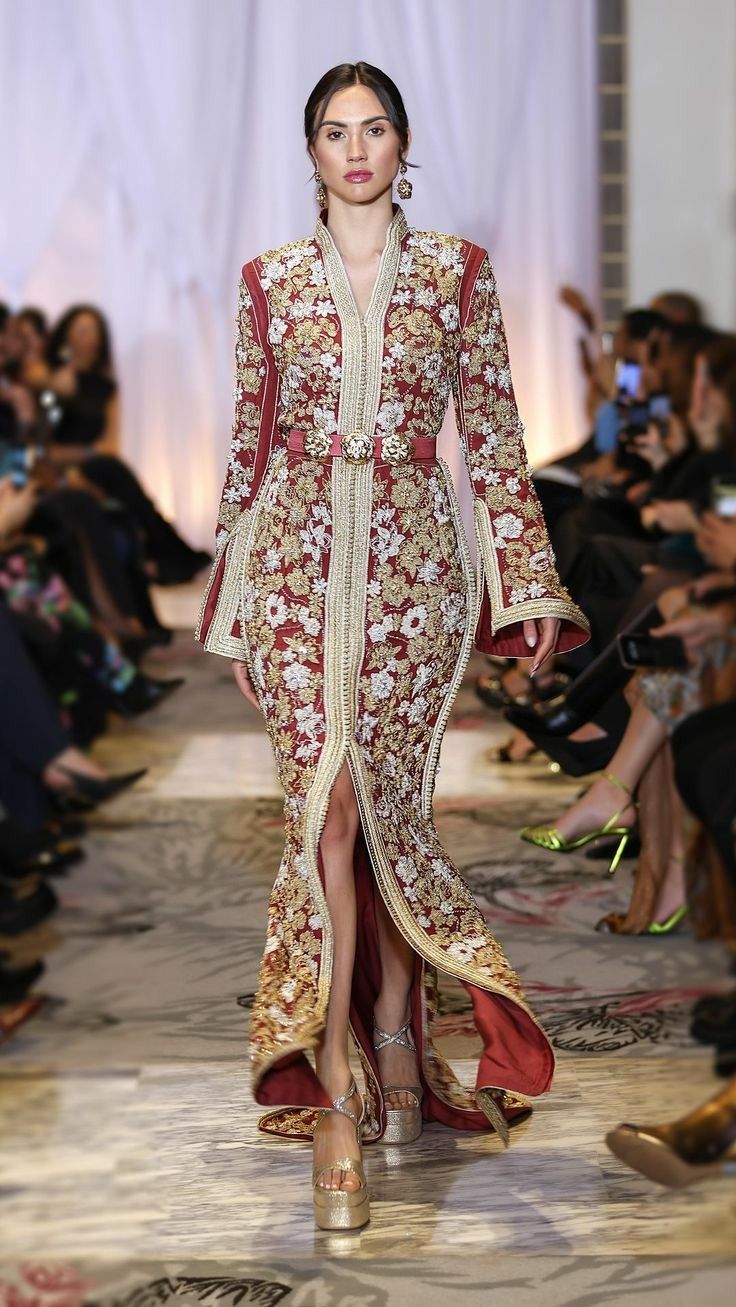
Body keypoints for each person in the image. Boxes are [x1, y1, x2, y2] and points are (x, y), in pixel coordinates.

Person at [195, 61, 589, 1231]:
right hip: (296, 572)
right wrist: (232, 597)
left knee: (386, 817)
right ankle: (334, 1085)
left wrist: (526, 584)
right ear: (310, 151)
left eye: (374, 129)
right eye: (335, 131)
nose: (356, 148)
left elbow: (497, 439)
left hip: (417, 580)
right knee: (322, 811)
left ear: (402, 145)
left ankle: (398, 1044)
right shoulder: (269, 282)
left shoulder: (457, 273)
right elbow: (250, 446)